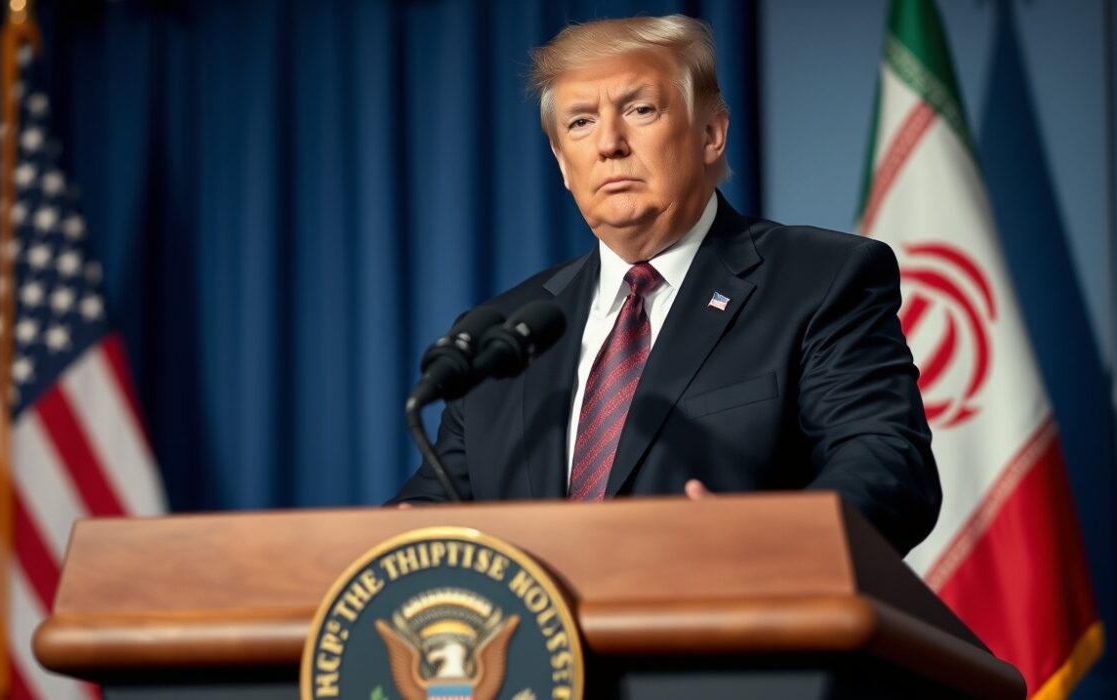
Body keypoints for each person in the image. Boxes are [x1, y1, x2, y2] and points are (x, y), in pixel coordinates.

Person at [391, 15, 940, 555]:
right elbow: (432, 509)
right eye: (580, 122)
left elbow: (886, 463)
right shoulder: (507, 333)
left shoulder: (819, 279)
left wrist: (771, 545)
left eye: (640, 109)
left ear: (711, 134)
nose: (609, 143)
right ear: (562, 162)